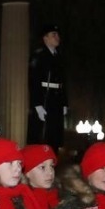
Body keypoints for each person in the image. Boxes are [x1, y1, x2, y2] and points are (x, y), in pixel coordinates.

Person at [27, 24, 66, 152]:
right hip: (45, 97)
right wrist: (37, 104)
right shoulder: (39, 56)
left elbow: (63, 81)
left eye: (57, 34)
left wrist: (64, 102)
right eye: (53, 34)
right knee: (42, 134)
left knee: (55, 135)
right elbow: (33, 80)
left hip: (56, 99)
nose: (57, 37)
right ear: (45, 38)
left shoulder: (59, 56)